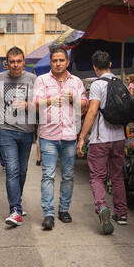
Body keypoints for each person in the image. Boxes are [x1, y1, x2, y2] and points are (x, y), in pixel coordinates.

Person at [33, 47, 86, 231]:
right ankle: (48, 213)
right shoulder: (42, 80)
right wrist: (50, 100)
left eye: (61, 60)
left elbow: (84, 106)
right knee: (48, 174)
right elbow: (35, 104)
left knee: (68, 175)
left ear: (67, 62)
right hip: (48, 135)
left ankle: (64, 209)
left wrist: (73, 99)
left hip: (70, 135)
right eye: (55, 60)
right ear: (51, 63)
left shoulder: (76, 82)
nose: (58, 63)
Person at [77, 50, 129, 234]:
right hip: (119, 138)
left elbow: (91, 112)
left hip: (100, 139)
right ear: (110, 65)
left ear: (94, 67)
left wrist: (82, 136)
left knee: (97, 177)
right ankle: (121, 213)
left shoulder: (98, 85)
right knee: (117, 176)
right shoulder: (120, 82)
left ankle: (102, 207)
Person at [0, 46, 37, 227]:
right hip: (6, 130)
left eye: (18, 61)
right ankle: (15, 210)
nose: (15, 65)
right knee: (12, 170)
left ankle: (17, 202)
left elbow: (39, 104)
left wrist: (27, 105)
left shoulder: (33, 79)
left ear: (23, 62)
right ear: (6, 63)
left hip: (27, 131)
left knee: (23, 171)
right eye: (12, 62)